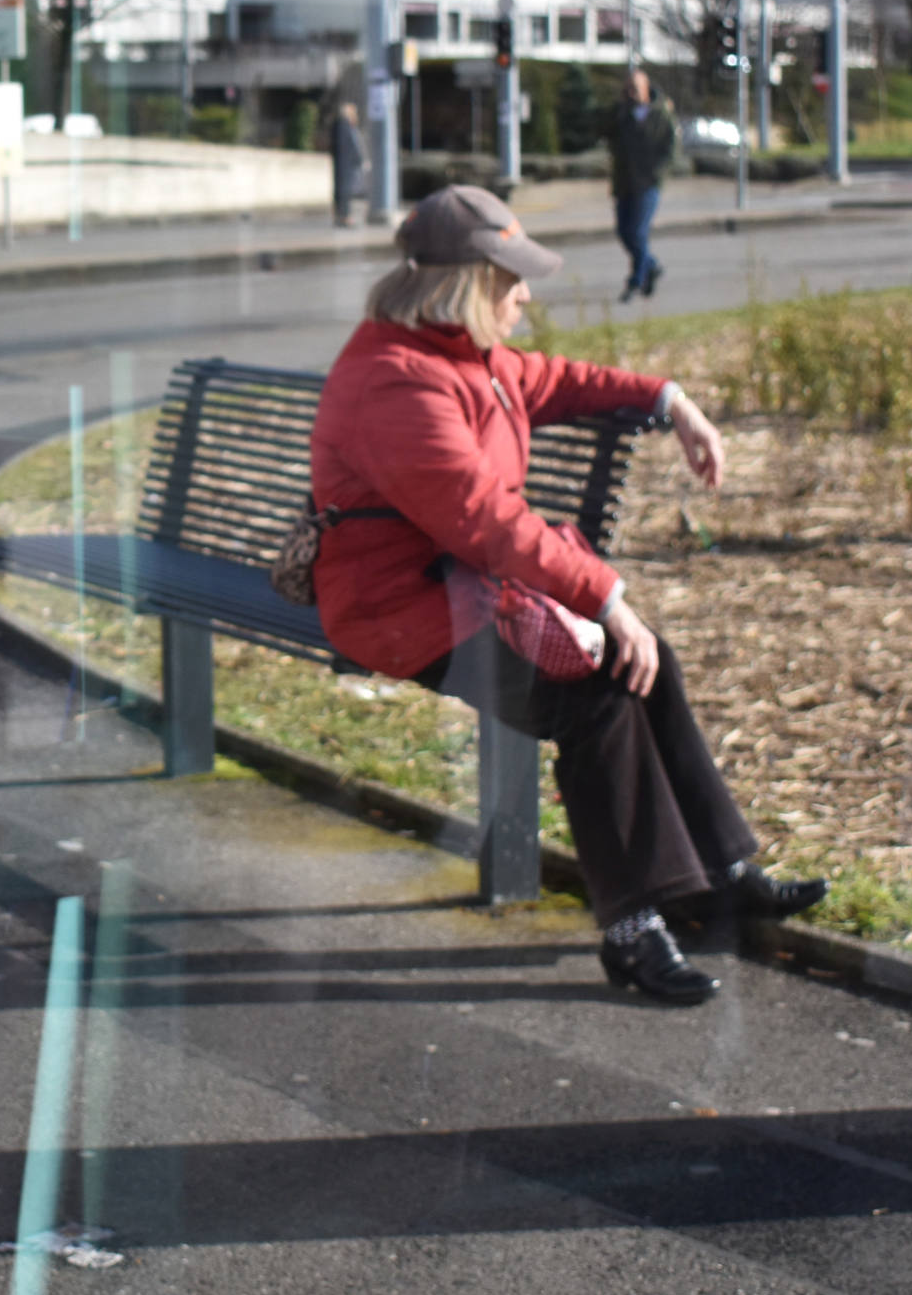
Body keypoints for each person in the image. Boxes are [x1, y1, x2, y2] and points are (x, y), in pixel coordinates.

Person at [308, 185, 824, 1006]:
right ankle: (631, 929)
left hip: (458, 589)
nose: (526, 294)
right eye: (511, 280)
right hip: (400, 612)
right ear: (466, 284)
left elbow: (554, 379)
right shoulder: (397, 383)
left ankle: (722, 875)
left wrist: (667, 398)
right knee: (593, 698)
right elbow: (482, 519)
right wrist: (609, 595)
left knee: (646, 662)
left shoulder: (458, 353)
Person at [606, 68, 676, 303]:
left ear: (646, 89)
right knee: (624, 232)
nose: (631, 93)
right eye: (628, 89)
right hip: (625, 184)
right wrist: (620, 108)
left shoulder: (660, 114)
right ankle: (651, 266)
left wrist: (656, 174)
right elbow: (605, 132)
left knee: (638, 232)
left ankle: (636, 280)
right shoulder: (621, 114)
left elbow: (671, 148)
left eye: (635, 89)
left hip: (647, 185)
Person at [330, 98, 366, 228]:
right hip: (345, 165)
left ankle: (342, 216)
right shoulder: (342, 125)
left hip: (346, 164)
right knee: (344, 191)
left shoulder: (345, 125)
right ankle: (344, 217)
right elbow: (344, 146)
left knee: (344, 191)